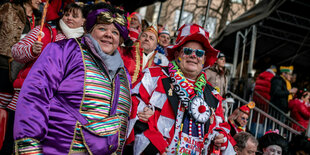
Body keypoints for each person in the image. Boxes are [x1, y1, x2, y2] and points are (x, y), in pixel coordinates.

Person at [14, 3, 132, 154]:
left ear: (120, 40)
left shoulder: (123, 74)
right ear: (89, 31)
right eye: (102, 28)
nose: (109, 34)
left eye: (115, 32)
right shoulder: (64, 50)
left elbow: (121, 121)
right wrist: (29, 146)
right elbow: (35, 95)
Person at [126, 24, 235, 155]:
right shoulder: (153, 76)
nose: (193, 56)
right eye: (188, 51)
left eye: (199, 53)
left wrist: (221, 138)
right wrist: (156, 146)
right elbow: (132, 110)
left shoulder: (213, 95)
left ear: (204, 59)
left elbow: (221, 127)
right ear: (177, 54)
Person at [0, 0, 41, 154]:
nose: (41, 1)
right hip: (3, 66)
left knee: (7, 117)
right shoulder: (8, 8)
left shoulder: (39, 19)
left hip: (19, 72)